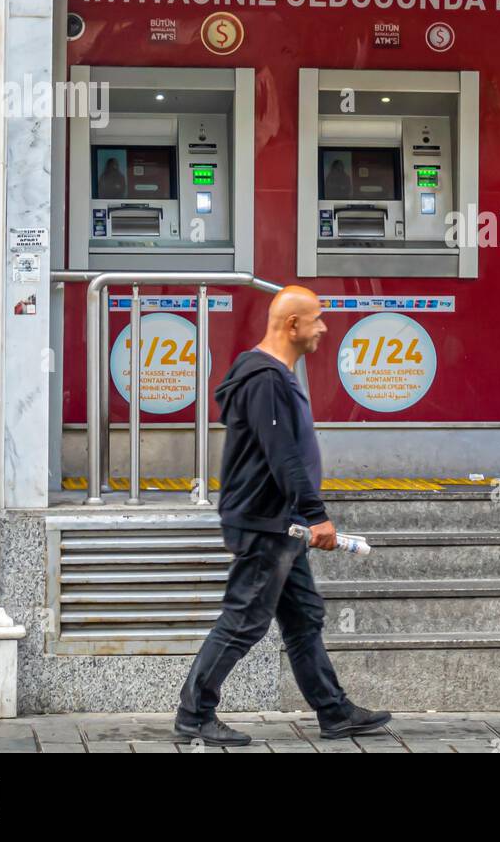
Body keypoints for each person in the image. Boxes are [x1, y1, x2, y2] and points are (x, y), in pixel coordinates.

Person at [174, 285, 392, 746]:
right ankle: (194, 715)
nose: (323, 328)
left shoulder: (269, 374)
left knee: (303, 617)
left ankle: (334, 713)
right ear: (292, 324)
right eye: (316, 319)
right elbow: (283, 454)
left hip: (280, 522)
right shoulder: (265, 379)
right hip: (265, 522)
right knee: (245, 619)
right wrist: (316, 515)